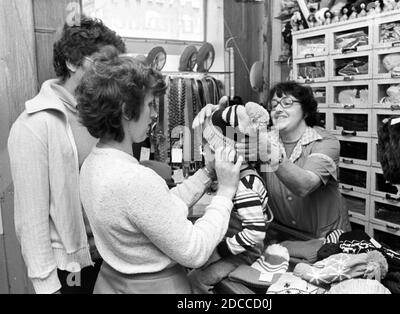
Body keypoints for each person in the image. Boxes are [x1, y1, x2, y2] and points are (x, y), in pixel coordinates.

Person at [76, 48, 243, 294]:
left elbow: (158, 209)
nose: (155, 113)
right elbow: (194, 250)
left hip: (112, 282)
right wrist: (226, 192)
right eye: (151, 104)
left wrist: (206, 173)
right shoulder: (133, 179)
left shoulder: (93, 163)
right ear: (125, 110)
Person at [8, 17, 125, 294]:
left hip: (112, 259)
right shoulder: (34, 125)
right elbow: (31, 218)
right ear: (72, 62)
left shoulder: (102, 117)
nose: (111, 74)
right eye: (103, 63)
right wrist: (47, 286)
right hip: (71, 270)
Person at [193, 82, 351, 240]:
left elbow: (305, 185)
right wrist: (215, 119)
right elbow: (225, 147)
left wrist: (268, 152)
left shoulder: (325, 141)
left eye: (287, 103)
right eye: (274, 105)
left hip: (324, 237)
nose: (278, 109)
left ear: (306, 111)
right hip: (280, 234)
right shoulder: (264, 137)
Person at [188, 102, 273, 293]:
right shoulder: (235, 176)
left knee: (195, 280)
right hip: (232, 246)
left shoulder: (245, 186)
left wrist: (219, 252)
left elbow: (254, 233)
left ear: (225, 152)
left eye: (208, 149)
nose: (203, 153)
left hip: (244, 253)